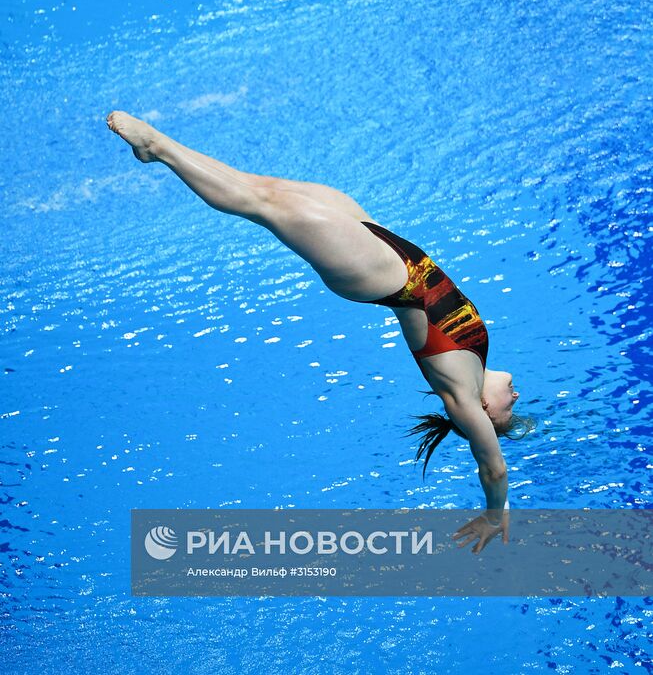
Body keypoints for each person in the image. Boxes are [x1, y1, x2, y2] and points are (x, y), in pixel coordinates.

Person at [107, 110, 532, 552]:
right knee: (262, 188)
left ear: (483, 411)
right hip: (389, 248)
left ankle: (157, 147)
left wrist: (493, 512)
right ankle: (155, 149)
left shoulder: (461, 394)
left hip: (379, 273)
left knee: (262, 206)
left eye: (505, 415)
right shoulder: (476, 362)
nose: (516, 399)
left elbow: (493, 468)